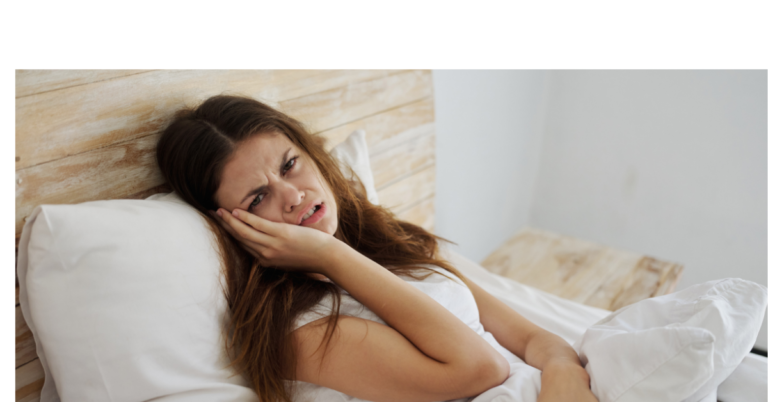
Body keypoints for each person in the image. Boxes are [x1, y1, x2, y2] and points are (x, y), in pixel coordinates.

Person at [156, 95, 598, 402]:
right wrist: (330, 255)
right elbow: (481, 368)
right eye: (257, 198)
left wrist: (564, 377)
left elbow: (533, 338)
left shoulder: (389, 245)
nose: (291, 196)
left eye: (290, 165)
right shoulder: (297, 332)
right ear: (233, 226)